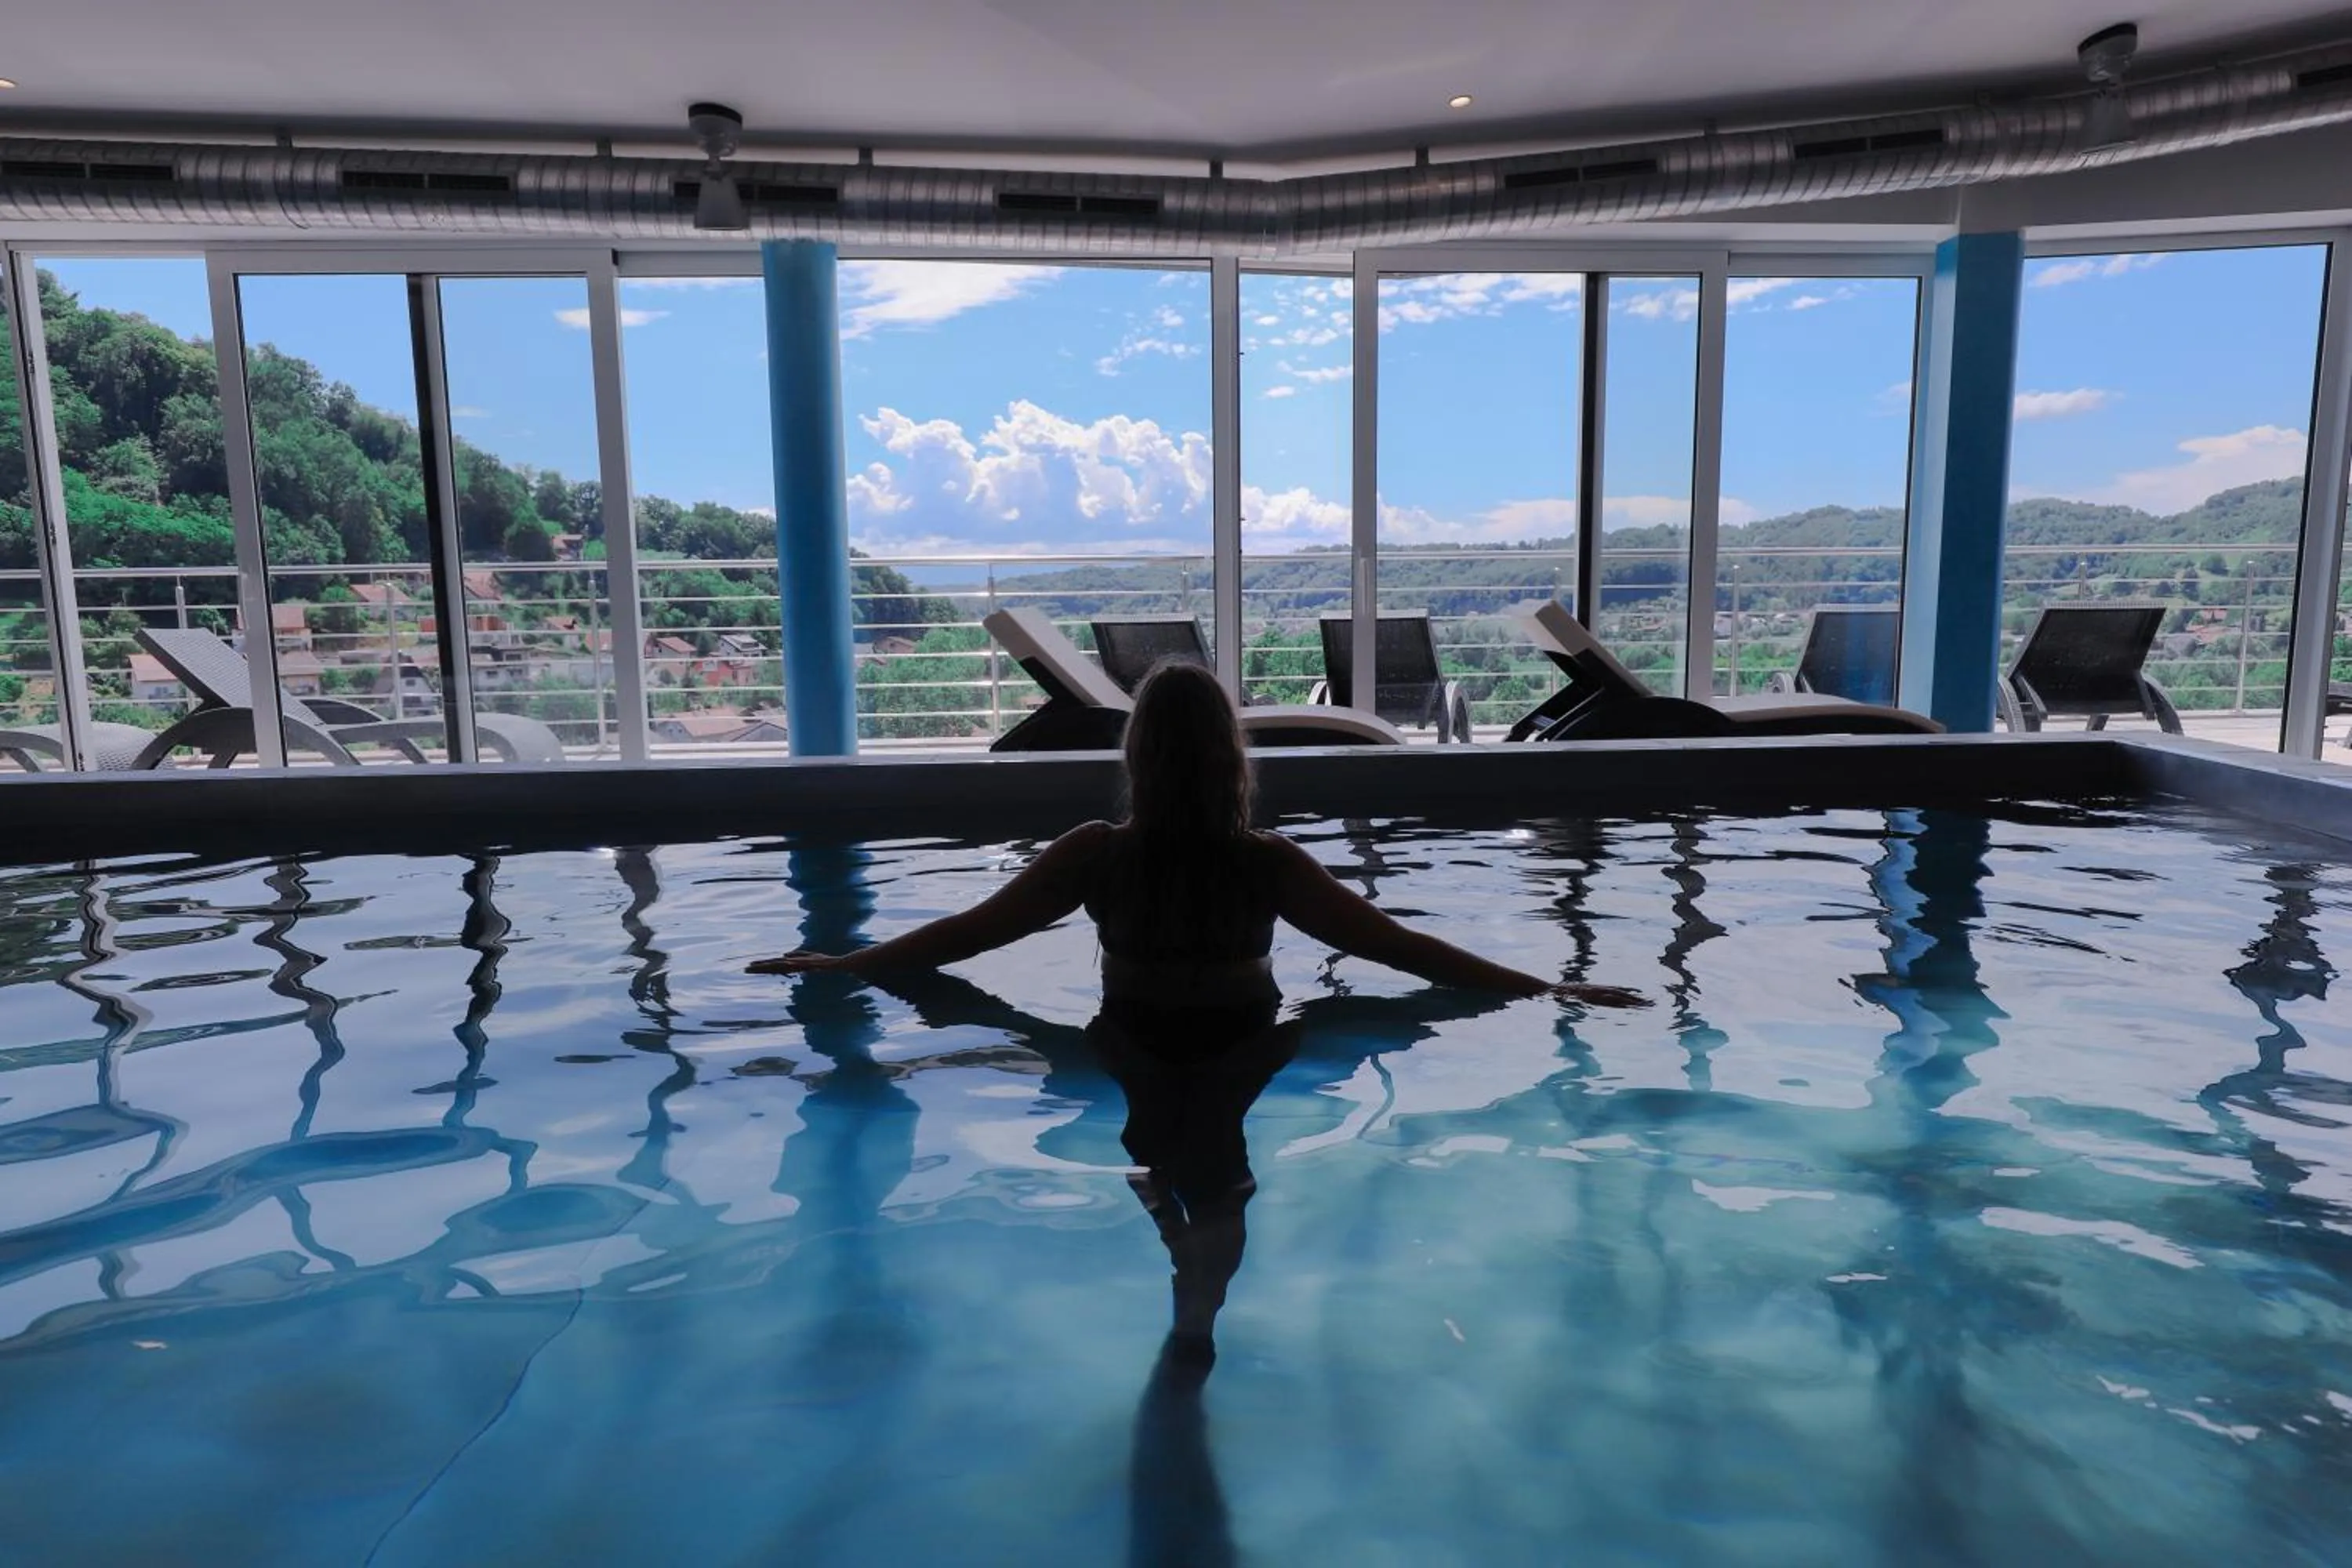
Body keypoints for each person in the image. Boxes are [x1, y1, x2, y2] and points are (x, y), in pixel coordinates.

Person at [749, 659, 1648, 1352]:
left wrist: (845, 960)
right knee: (1218, 1155)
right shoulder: (1264, 859)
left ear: (1136, 754)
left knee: (1149, 1135)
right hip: (1242, 1042)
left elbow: (969, 934)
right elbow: (1396, 947)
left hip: (1132, 1037)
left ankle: (1171, 1229)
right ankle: (1201, 1299)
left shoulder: (1096, 852)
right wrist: (1548, 986)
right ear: (1230, 756)